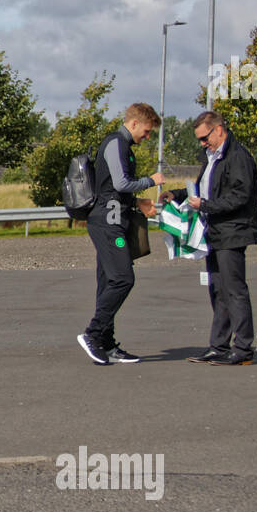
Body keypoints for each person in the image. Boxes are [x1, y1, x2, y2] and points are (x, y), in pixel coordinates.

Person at [162, 110, 257, 366]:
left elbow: (240, 196)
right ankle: (218, 346)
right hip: (214, 232)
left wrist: (206, 205)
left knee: (234, 290)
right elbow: (205, 190)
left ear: (219, 130)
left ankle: (243, 350)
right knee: (217, 290)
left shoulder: (237, 157)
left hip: (233, 232)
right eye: (200, 140)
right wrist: (178, 194)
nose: (202, 143)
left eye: (205, 138)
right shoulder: (212, 157)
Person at [78, 103, 163, 365]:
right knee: (123, 278)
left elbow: (113, 190)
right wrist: (152, 180)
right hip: (108, 224)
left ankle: (106, 343)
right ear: (134, 123)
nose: (147, 137)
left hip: (113, 220)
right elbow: (120, 183)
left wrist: (137, 203)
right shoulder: (116, 143)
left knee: (108, 282)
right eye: (147, 131)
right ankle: (92, 333)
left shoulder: (123, 146)